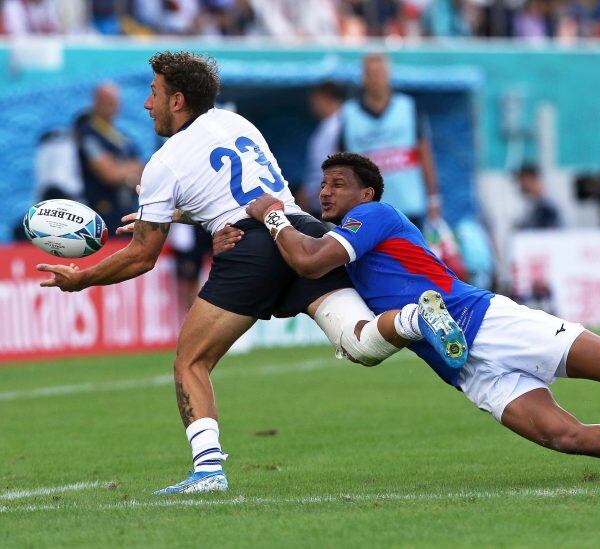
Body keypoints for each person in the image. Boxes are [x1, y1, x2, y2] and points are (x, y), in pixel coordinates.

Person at [36, 52, 467, 496]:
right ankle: (416, 319)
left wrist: (81, 276)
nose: (148, 105)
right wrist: (180, 216)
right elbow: (238, 194)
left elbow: (142, 256)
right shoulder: (237, 124)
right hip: (301, 230)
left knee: (191, 361)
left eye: (153, 94)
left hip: (250, 248)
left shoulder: (163, 163)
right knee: (361, 343)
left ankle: (207, 472)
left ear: (178, 100)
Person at [216, 152, 600, 475]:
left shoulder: (374, 215)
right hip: (463, 367)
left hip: (487, 321)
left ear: (369, 192)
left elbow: (306, 260)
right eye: (324, 183)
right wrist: (234, 236)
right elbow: (293, 267)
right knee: (563, 436)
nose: (327, 190)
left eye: (339, 183)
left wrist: (271, 215)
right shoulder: (330, 236)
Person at [339, 53, 441, 230]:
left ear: (388, 75)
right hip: (370, 208)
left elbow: (424, 153)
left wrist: (433, 197)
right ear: (363, 78)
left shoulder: (407, 107)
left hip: (408, 205)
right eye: (372, 74)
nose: (377, 79)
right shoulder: (349, 114)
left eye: (381, 73)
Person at [75, 82, 145, 233]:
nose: (111, 106)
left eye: (114, 102)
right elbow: (109, 173)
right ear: (96, 102)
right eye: (106, 101)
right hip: (101, 213)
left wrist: (127, 171)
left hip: (125, 209)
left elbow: (142, 169)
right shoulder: (88, 133)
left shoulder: (120, 136)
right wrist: (131, 170)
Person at [298, 82, 346, 219]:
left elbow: (337, 163)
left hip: (332, 199)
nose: (312, 105)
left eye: (315, 100)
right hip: (319, 198)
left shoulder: (339, 125)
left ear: (325, 98)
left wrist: (313, 192)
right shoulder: (326, 125)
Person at [516, 163, 562, 229]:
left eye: (522, 180)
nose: (520, 185)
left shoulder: (547, 208)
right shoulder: (533, 205)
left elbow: (549, 234)